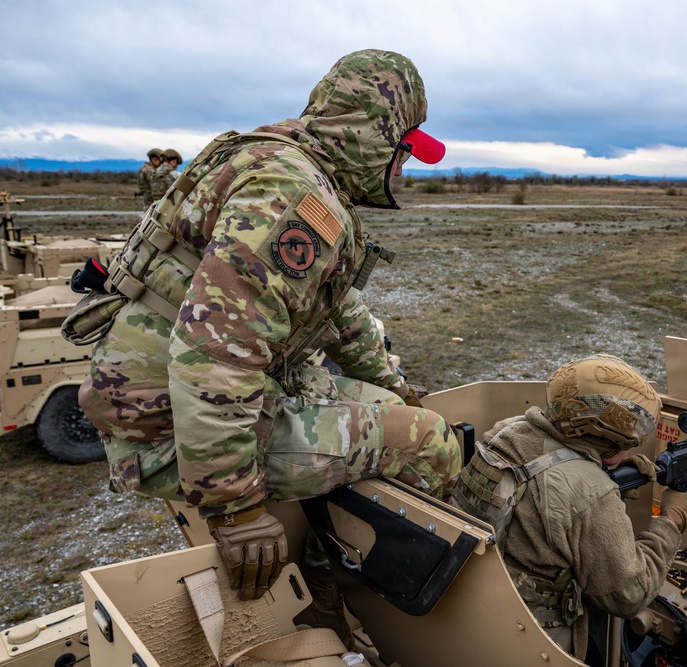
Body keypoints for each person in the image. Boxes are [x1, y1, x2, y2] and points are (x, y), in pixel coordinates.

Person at [73, 50, 461, 618]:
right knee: (430, 441)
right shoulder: (294, 197)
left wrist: (393, 386)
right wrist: (236, 509)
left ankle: (324, 574)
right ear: (372, 139)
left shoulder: (278, 161)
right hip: (166, 428)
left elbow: (340, 312)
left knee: (388, 409)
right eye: (404, 152)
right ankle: (355, 605)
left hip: (169, 396)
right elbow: (216, 352)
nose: (404, 169)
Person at [451, 354, 687, 663]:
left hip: (469, 608)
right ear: (604, 437)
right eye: (626, 441)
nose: (630, 447)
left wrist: (599, 467)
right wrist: (672, 520)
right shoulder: (588, 492)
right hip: (531, 642)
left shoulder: (507, 432)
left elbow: (541, 485)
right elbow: (630, 596)